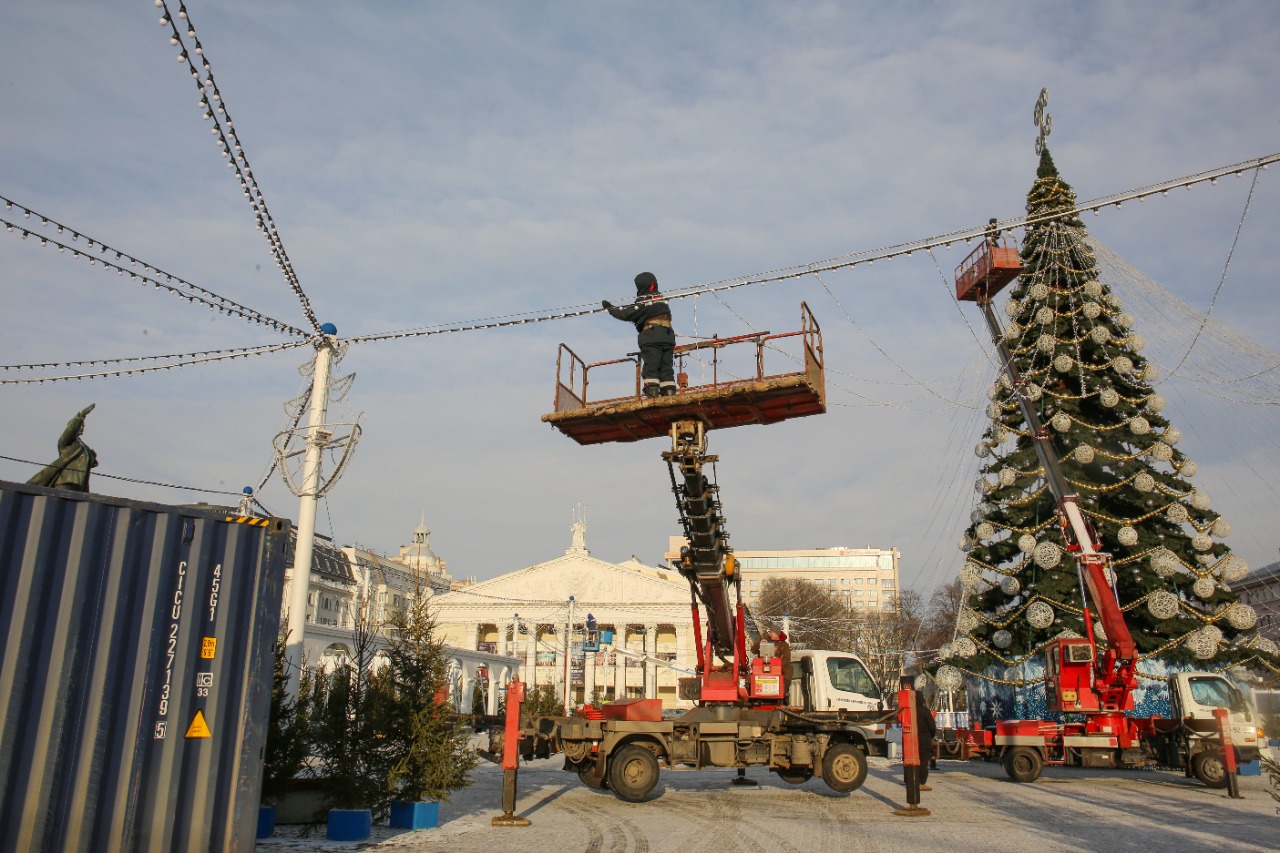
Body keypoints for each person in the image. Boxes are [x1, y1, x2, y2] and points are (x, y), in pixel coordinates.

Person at [603, 272, 676, 398]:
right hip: (668, 336)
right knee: (666, 368)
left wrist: (610, 309)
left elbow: (625, 314)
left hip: (651, 337)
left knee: (651, 367)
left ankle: (652, 395)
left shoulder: (643, 301)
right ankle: (669, 394)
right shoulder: (662, 299)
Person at [28, 404, 98, 492]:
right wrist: (81, 415)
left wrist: (92, 458)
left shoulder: (83, 446)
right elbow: (71, 429)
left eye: (83, 425)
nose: (82, 427)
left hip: (80, 485)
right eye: (80, 425)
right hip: (66, 482)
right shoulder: (67, 441)